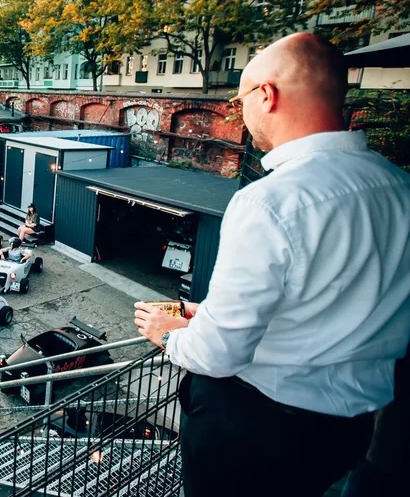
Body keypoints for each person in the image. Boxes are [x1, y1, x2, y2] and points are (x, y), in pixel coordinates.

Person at [132, 33, 410, 497]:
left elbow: (218, 354)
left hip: (259, 431)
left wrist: (168, 332)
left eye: (241, 100)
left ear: (267, 94)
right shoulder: (398, 185)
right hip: (352, 428)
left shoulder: (270, 201)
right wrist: (210, 315)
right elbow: (335, 300)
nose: (241, 113)